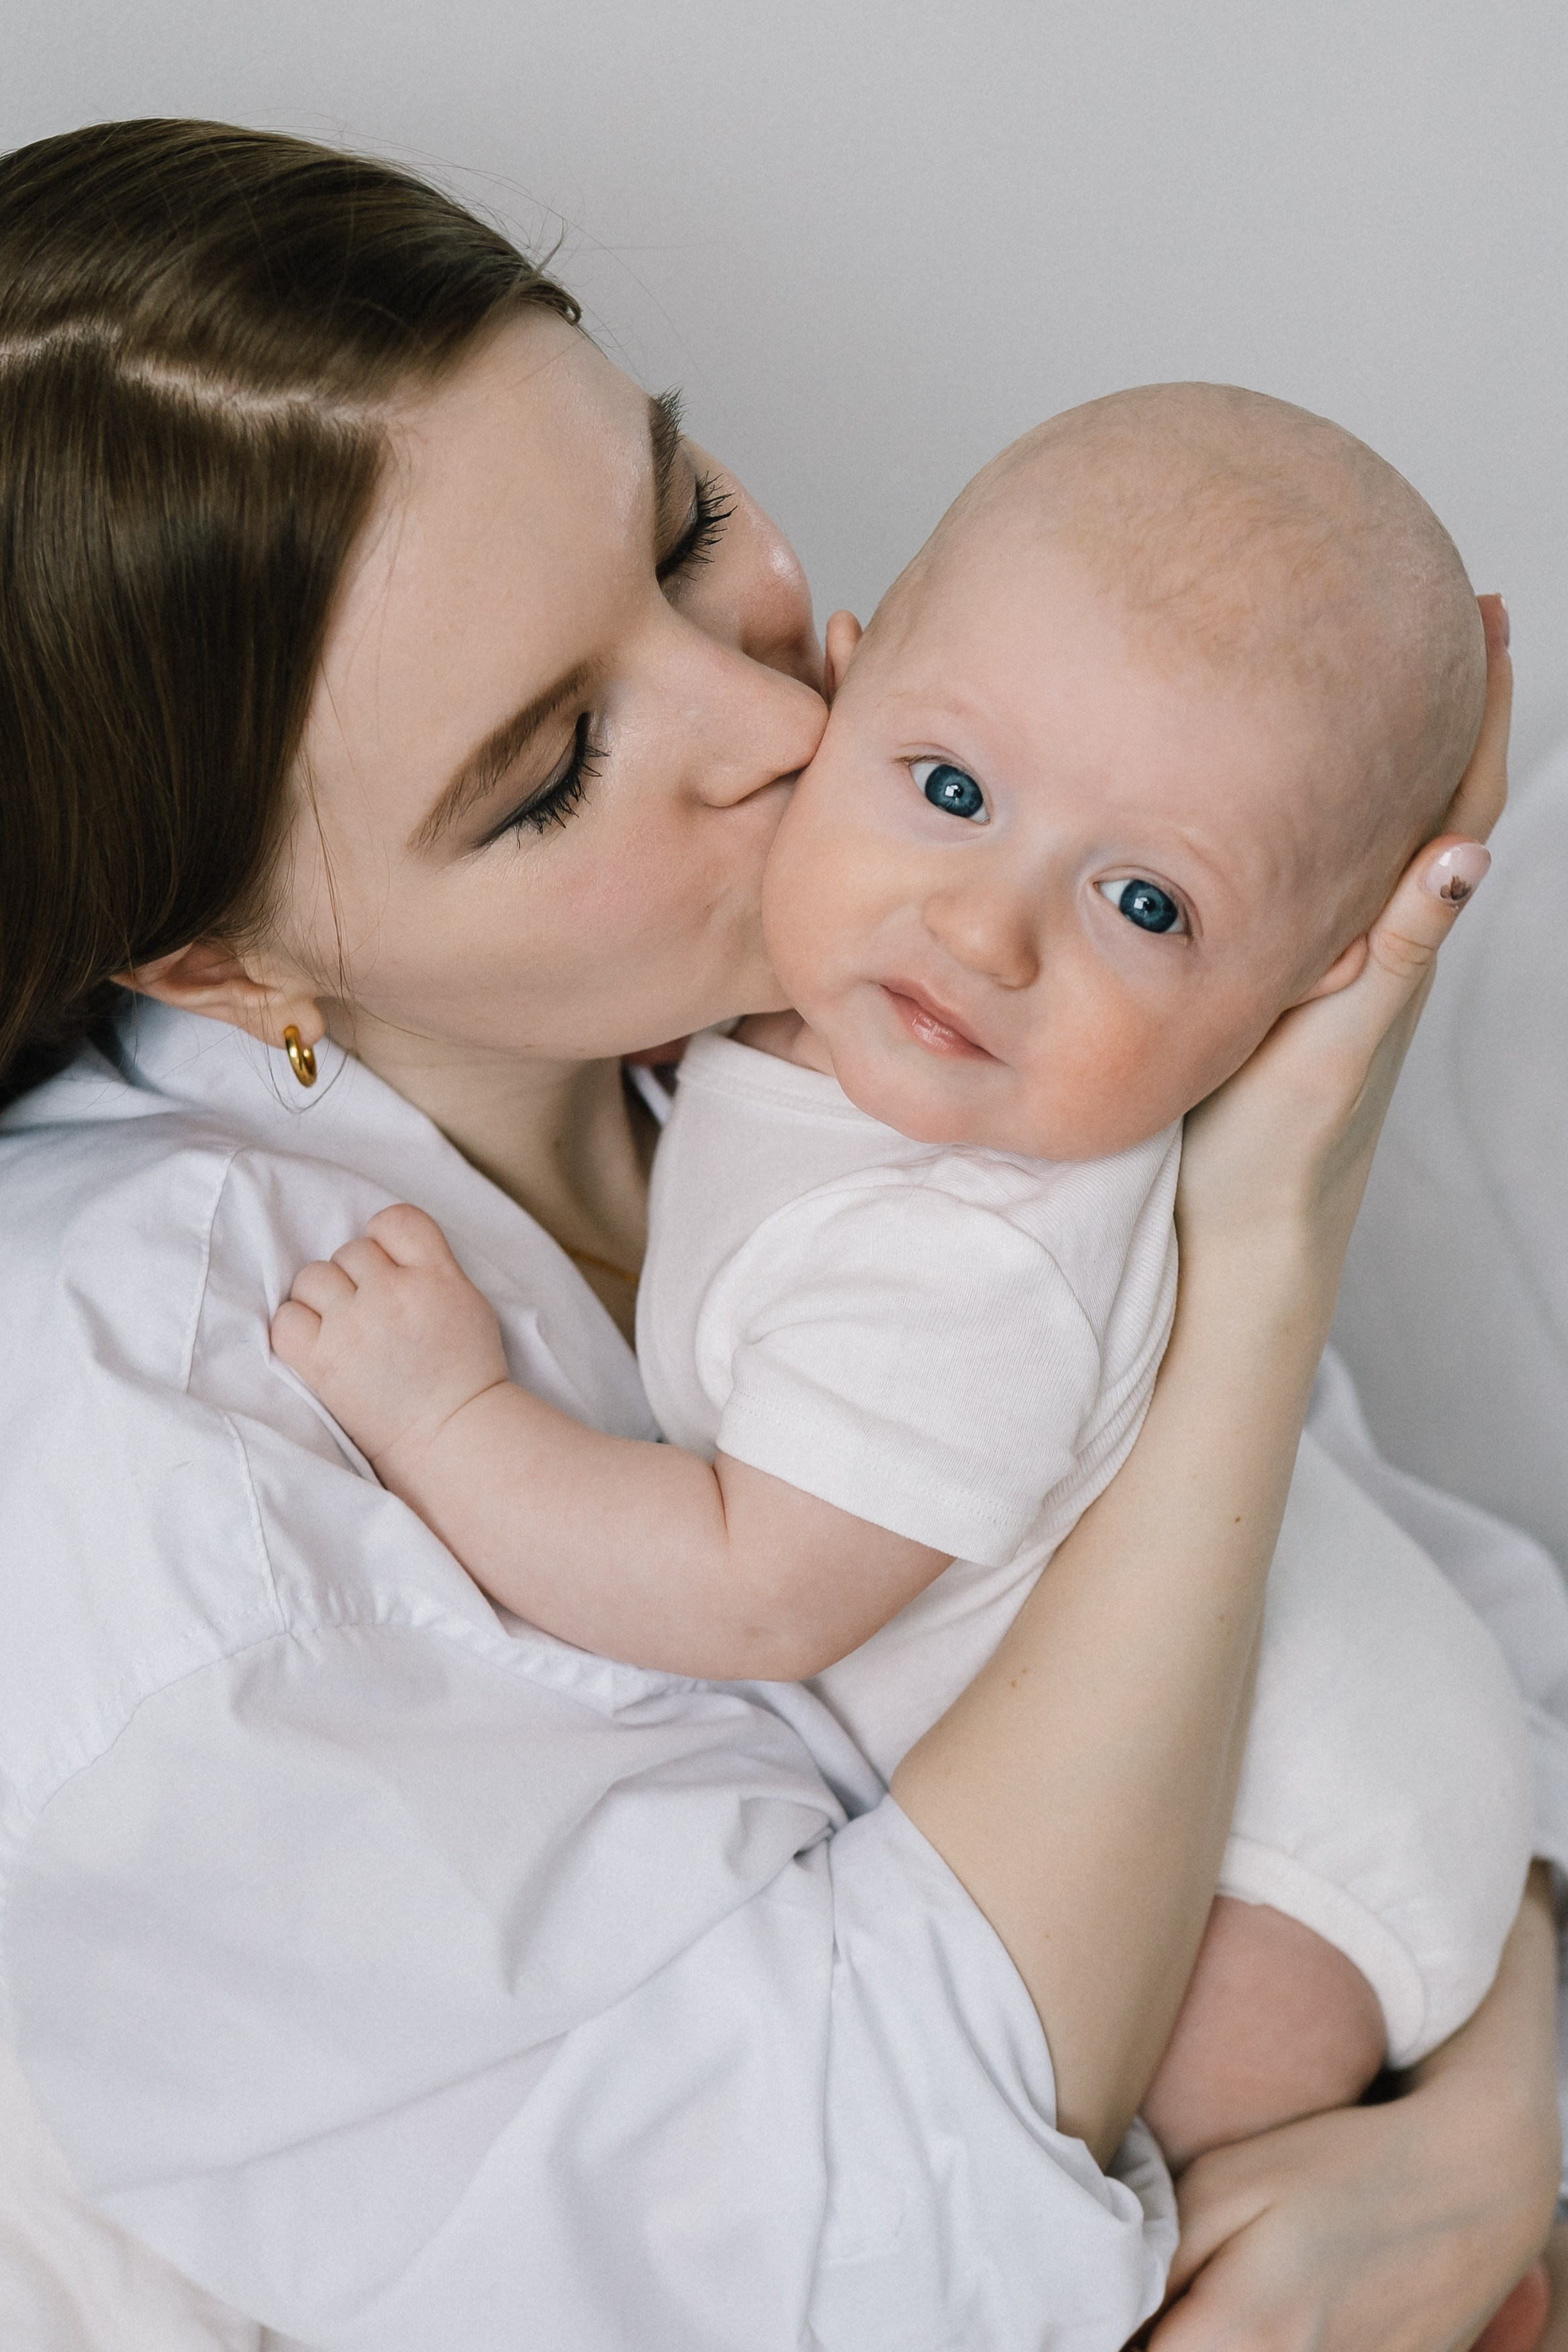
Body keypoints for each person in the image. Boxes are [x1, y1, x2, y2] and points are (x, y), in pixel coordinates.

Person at [0, 117, 1561, 2352]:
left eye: (685, 520)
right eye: (550, 769)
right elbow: (876, 2244)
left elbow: (1411, 1632)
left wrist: (1494, 2118)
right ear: (225, 968)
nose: (776, 717)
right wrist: (1263, 1252)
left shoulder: (881, 1005)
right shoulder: (138, 1436)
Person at [275, 383, 1532, 2170]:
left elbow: (758, 1594)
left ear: (1304, 1000)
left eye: (1149, 907)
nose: (985, 929)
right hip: (1340, 1691)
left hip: (1312, 1836)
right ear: (851, 690)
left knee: (1172, 2183)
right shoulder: (807, 1025)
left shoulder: (967, 1251)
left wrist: (452, 1415)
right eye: (951, 792)